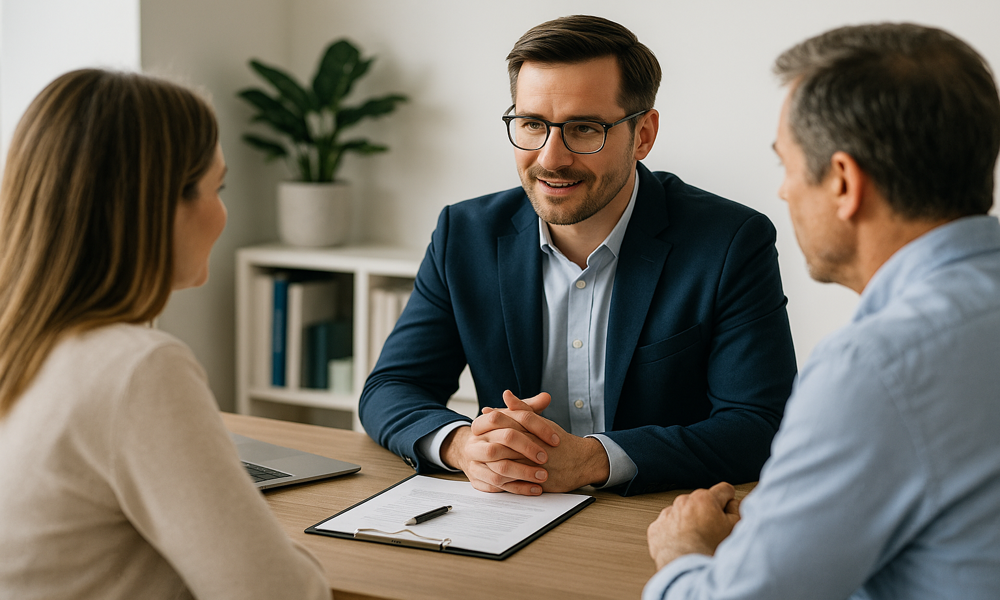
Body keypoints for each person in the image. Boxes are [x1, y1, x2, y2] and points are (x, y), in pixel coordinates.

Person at [359, 15, 797, 497]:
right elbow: (392, 387)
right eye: (532, 124)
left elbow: (760, 423)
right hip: (512, 513)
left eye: (585, 129)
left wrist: (592, 460)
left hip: (657, 514)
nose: (551, 158)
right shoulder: (464, 235)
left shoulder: (731, 241)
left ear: (643, 134)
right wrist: (463, 447)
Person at [645, 22, 1000, 599]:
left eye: (786, 165)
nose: (784, 191)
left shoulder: (875, 368)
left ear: (842, 183)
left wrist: (684, 552)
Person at [0, 70, 330, 600]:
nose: (223, 214)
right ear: (155, 204)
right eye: (217, 188)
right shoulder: (138, 367)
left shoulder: (23, 344)